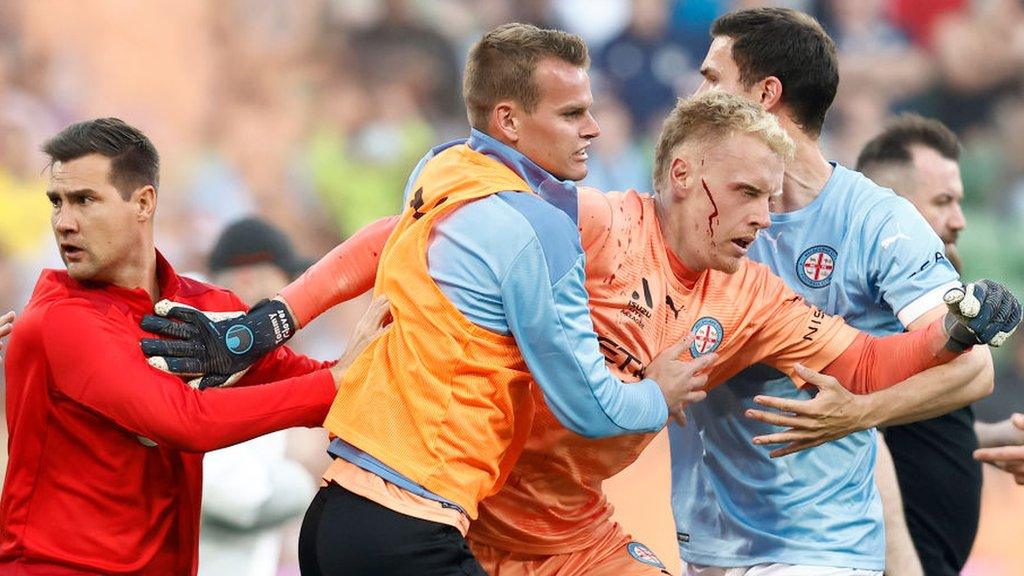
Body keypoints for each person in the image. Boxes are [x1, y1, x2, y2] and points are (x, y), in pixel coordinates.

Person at [143, 92, 1021, 576]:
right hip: (460, 514)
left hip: (572, 537)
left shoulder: (753, 298)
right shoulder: (591, 222)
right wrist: (268, 321)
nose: (767, 218)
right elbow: (411, 230)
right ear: (685, 175)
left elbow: (868, 362)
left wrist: (955, 325)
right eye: (750, 193)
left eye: (775, 198)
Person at [145, 23, 709, 576]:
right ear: (508, 120)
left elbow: (377, 239)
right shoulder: (535, 226)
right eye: (570, 114)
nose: (592, 129)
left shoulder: (443, 169)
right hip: (407, 529)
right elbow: (586, 405)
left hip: (337, 514)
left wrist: (263, 326)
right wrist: (656, 394)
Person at [675, 8, 997, 576]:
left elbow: (973, 370)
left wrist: (860, 413)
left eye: (711, 78)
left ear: (765, 94)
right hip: (709, 538)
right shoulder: (701, 209)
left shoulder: (876, 220)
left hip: (819, 547)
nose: (695, 94)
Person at [0, 118, 389, 575]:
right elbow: (187, 422)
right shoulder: (58, 321)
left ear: (143, 202)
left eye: (84, 200)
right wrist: (336, 383)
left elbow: (311, 381)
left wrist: (359, 367)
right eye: (57, 202)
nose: (64, 223)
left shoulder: (201, 309)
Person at [855, 113, 978, 576]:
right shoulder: (868, 306)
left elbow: (908, 427)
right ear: (892, 209)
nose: (959, 220)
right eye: (943, 201)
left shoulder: (923, 308)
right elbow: (859, 432)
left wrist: (983, 437)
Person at [197, 217, 320, 576]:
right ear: (249, 280)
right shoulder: (204, 346)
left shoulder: (249, 357)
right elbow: (237, 499)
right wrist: (306, 478)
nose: (294, 301)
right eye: (286, 284)